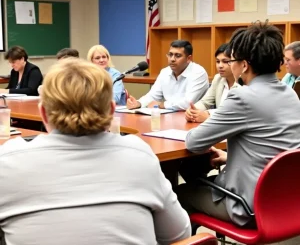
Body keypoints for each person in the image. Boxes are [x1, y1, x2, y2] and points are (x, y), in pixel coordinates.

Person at [0, 58, 191, 245]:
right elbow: (179, 234)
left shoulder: (8, 161)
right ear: (111, 111)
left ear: (42, 113)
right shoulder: (139, 154)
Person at [177, 21, 300, 228]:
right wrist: (230, 157)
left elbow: (194, 143)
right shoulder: (289, 93)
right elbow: (275, 147)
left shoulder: (242, 96)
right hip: (286, 202)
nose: (230, 65)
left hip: (249, 207)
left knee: (176, 195)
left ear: (244, 65)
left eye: (231, 60)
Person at [127, 40, 209, 110]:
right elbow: (153, 96)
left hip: (192, 118)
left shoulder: (198, 73)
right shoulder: (165, 72)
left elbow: (188, 103)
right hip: (169, 116)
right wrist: (138, 103)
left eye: (178, 56)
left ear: (188, 59)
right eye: (170, 55)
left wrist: (161, 105)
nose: (172, 59)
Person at [185, 43, 238, 123]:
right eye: (217, 61)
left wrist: (208, 115)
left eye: (225, 61)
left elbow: (233, 112)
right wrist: (192, 111)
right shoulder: (218, 79)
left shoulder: (243, 81)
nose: (220, 65)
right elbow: (205, 102)